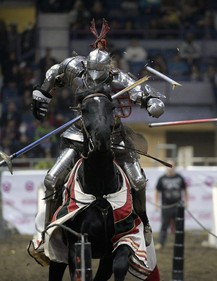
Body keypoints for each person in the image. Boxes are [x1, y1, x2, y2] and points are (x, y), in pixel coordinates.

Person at [30, 19, 165, 250]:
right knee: (52, 179)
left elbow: (141, 91)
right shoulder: (74, 66)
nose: (94, 79)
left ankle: (144, 225)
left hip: (112, 134)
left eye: (99, 75)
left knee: (138, 180)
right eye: (92, 74)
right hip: (80, 132)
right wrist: (41, 94)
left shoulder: (116, 77)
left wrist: (152, 101)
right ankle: (47, 231)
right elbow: (54, 72)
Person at [154, 161, 188, 250]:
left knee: (179, 226)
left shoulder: (180, 177)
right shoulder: (161, 179)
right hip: (166, 206)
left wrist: (186, 202)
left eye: (171, 166)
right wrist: (156, 204)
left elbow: (185, 190)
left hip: (178, 206)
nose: (170, 168)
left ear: (175, 167)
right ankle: (161, 243)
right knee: (164, 226)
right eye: (168, 166)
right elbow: (157, 192)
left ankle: (180, 243)